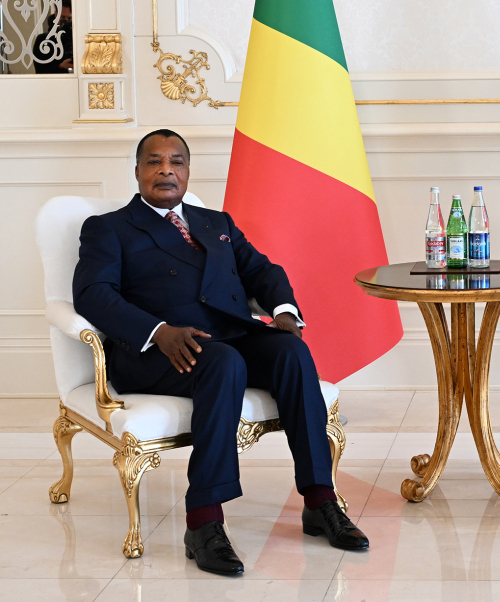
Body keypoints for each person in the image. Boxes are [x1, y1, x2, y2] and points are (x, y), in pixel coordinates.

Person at [73, 129, 368, 576]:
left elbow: (262, 270)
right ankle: (203, 522)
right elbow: (92, 293)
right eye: (154, 161)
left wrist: (284, 311)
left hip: (227, 335)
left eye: (176, 161)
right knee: (223, 362)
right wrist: (159, 331)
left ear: (188, 171)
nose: (166, 170)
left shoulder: (217, 223)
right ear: (137, 171)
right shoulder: (109, 227)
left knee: (290, 352)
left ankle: (319, 499)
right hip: (158, 350)